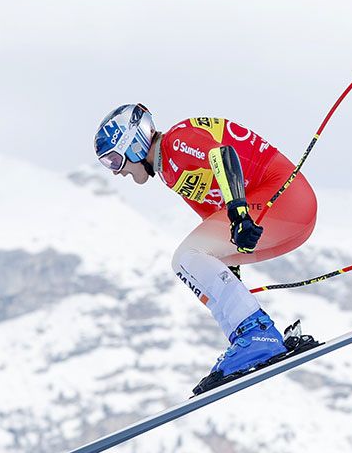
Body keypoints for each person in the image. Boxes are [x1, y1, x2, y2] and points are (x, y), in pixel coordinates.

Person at [94, 103, 318, 390]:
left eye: (113, 160)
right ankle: (246, 339)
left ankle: (257, 335)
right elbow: (214, 220)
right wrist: (229, 271)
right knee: (194, 262)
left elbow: (224, 156)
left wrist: (239, 213)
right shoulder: (169, 171)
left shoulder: (176, 142)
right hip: (286, 215)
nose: (115, 171)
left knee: (186, 257)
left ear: (134, 144)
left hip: (285, 200)